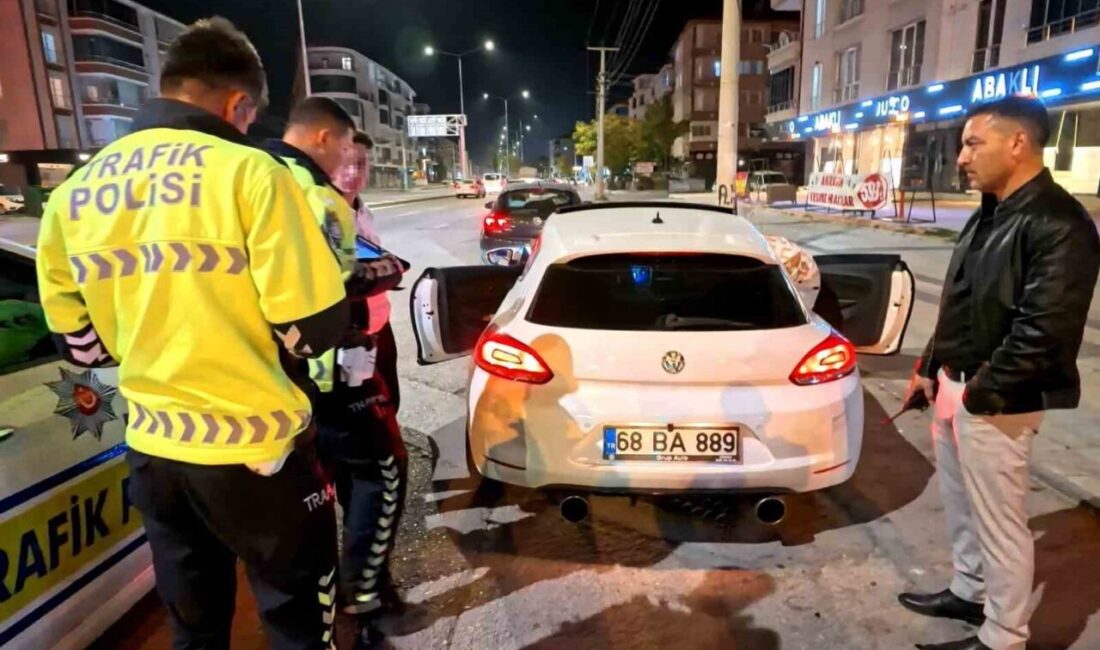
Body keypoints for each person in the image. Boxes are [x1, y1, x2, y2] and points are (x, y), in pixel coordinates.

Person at [35, 17, 349, 650]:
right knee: (297, 623)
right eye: (249, 113)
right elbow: (312, 331)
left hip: (155, 449)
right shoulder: (252, 174)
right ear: (238, 103)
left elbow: (83, 347)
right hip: (258, 454)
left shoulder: (74, 192)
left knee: (195, 629)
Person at [898, 95, 1100, 650]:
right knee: (963, 506)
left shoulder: (1059, 223)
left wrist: (981, 392)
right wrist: (930, 369)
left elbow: (1045, 332)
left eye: (972, 143)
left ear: (1017, 143)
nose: (961, 157)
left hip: (999, 399)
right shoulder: (990, 211)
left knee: (1001, 523)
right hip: (956, 386)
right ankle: (969, 591)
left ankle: (1004, 635)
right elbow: (960, 302)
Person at [267, 113, 406, 650]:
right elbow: (337, 285)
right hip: (330, 367)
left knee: (346, 480)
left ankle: (362, 587)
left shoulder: (340, 206)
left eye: (363, 162)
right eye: (347, 157)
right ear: (325, 143)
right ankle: (361, 595)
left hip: (341, 363)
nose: (352, 170)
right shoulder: (311, 198)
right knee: (383, 468)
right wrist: (384, 272)